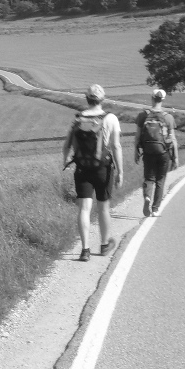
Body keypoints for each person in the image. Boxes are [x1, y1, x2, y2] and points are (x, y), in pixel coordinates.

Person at [63, 83, 123, 260]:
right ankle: (104, 245)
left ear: (87, 98)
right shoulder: (110, 118)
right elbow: (116, 146)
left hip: (82, 168)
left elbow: (66, 145)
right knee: (103, 207)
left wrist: (65, 161)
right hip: (103, 168)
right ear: (102, 99)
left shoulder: (78, 119)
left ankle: (85, 250)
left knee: (84, 208)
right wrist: (120, 171)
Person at [135, 88, 179, 217]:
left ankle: (147, 196)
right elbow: (173, 139)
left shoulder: (143, 115)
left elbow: (137, 136)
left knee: (149, 178)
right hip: (163, 152)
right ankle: (155, 209)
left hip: (148, 151)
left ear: (152, 98)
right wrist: (175, 158)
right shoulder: (168, 117)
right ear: (162, 100)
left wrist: (136, 151)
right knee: (160, 179)